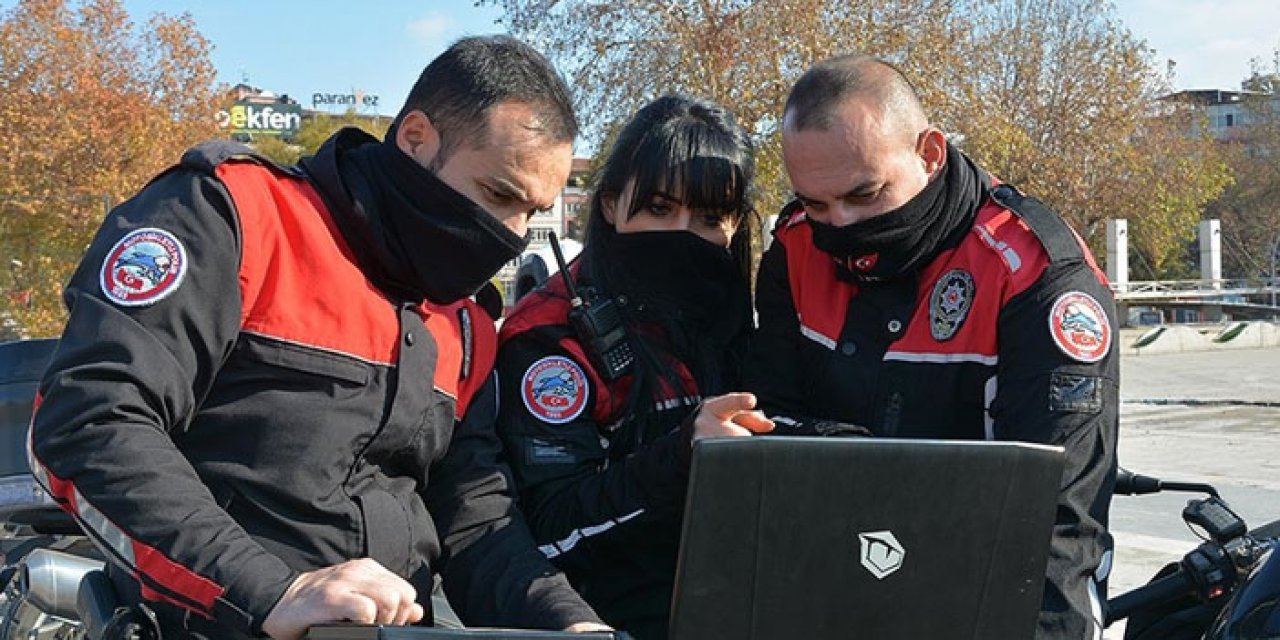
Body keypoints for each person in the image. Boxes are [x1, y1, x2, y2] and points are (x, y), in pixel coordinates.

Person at [27, 35, 610, 639]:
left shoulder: (464, 324)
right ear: (415, 139)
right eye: (498, 194)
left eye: (531, 211)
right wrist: (269, 591)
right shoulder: (235, 214)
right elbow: (88, 421)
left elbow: (473, 514)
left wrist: (565, 624)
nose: (511, 232)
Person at [747, 54, 1118, 639]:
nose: (840, 224)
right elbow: (765, 426)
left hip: (989, 578)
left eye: (865, 195)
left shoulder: (1034, 274)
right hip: (832, 571)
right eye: (816, 203)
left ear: (929, 153)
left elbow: (1059, 516)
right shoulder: (795, 247)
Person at [489, 95, 773, 639]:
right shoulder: (551, 337)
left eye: (711, 217)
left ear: (736, 227)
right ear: (612, 204)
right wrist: (683, 452)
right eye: (660, 209)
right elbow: (544, 530)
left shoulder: (734, 319)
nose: (683, 233)